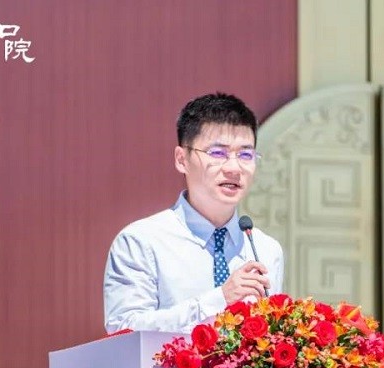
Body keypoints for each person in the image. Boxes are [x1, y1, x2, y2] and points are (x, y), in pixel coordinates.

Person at [103, 92, 284, 333]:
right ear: (182, 159)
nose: (234, 168)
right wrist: (219, 300)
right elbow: (124, 329)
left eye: (245, 155)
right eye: (217, 153)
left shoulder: (265, 249)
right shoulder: (141, 242)